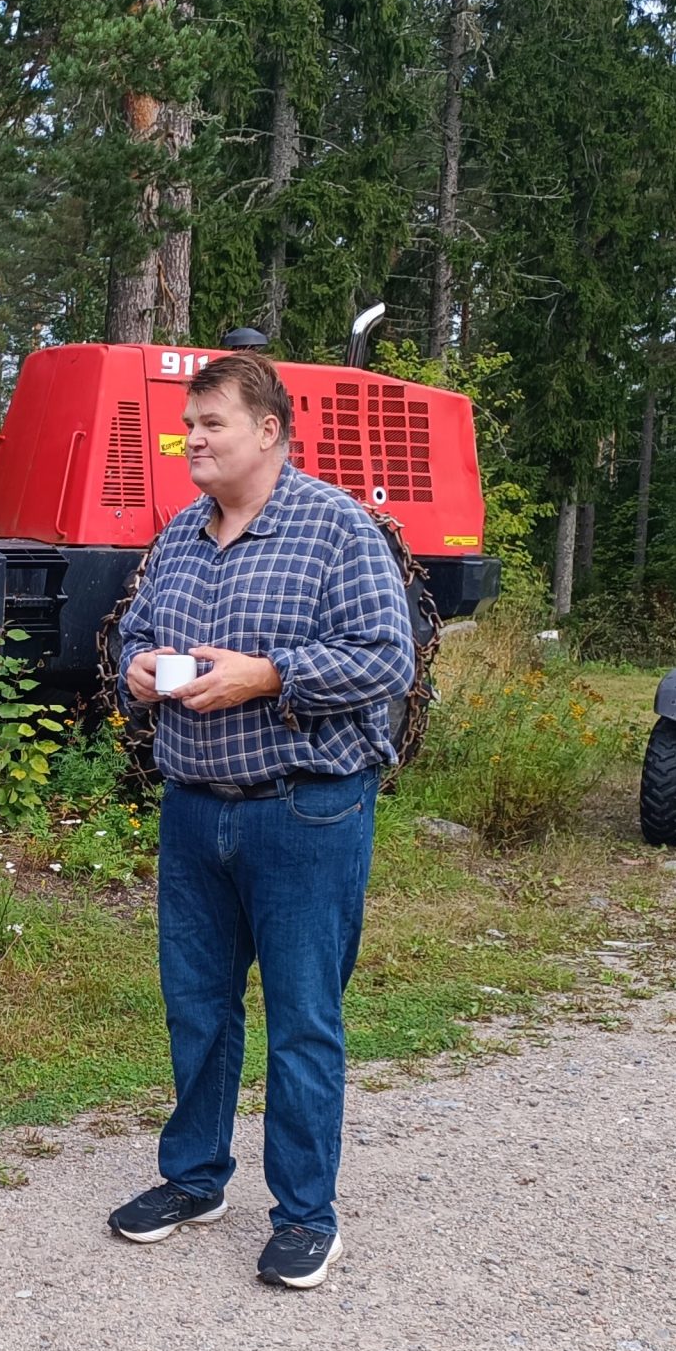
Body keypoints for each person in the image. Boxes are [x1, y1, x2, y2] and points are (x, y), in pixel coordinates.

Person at [109, 351, 416, 1289]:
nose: (192, 442)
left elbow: (387, 659)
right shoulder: (180, 534)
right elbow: (135, 633)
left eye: (212, 425)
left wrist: (272, 674)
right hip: (194, 811)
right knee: (197, 1007)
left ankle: (306, 1214)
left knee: (303, 1019)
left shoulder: (338, 529)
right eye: (187, 427)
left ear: (270, 431)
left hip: (305, 810)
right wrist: (135, 667)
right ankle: (194, 1178)